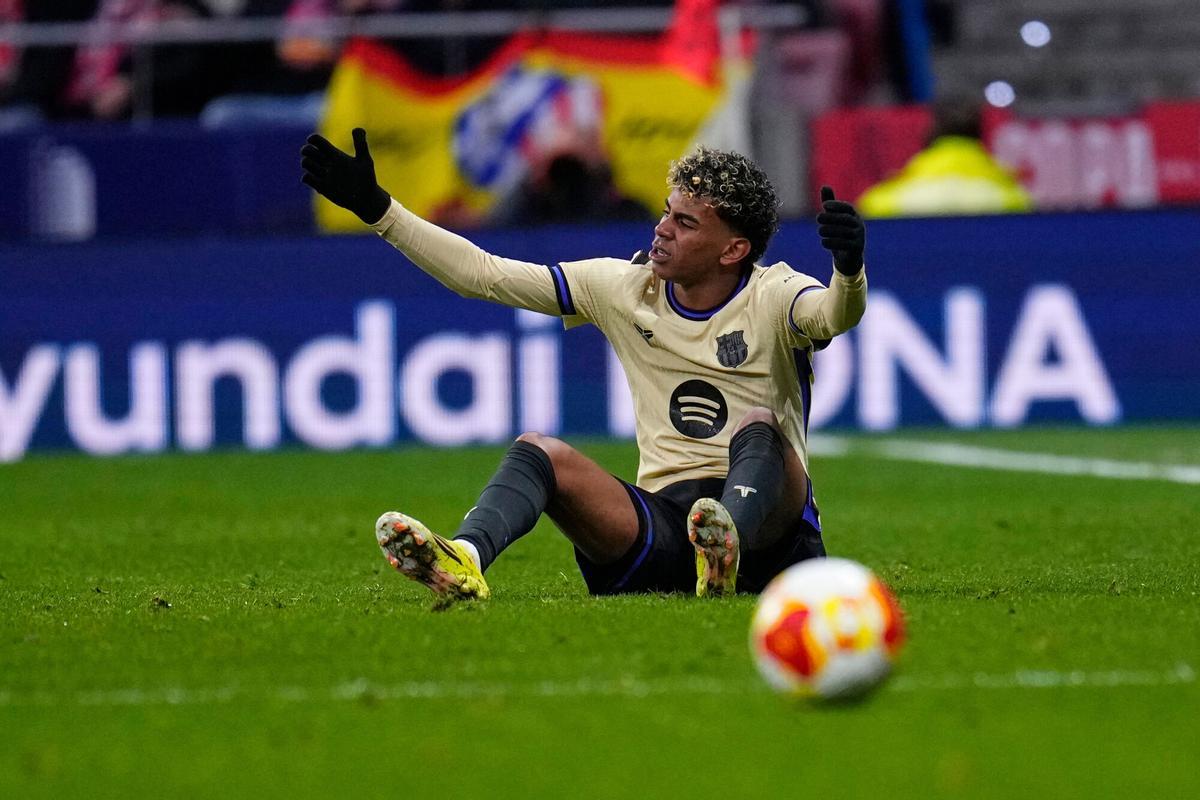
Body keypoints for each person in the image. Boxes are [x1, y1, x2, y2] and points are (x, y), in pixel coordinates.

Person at [299, 127, 868, 602]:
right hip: (666, 528)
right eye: (668, 213)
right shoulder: (622, 287)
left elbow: (831, 316)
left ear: (733, 250)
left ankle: (727, 549)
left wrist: (848, 268)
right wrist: (380, 211)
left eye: (686, 223)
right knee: (539, 451)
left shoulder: (774, 294)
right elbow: (484, 275)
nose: (662, 228)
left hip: (772, 536)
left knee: (759, 425)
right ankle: (465, 558)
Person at [856, 97, 1033, 218]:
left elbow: (868, 209)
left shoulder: (889, 200)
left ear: (929, 135)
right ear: (980, 136)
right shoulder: (1014, 200)